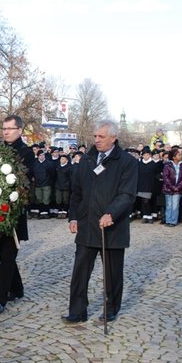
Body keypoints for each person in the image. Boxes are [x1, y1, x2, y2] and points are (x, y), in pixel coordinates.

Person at [63, 120, 138, 323]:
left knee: (112, 272)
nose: (96, 140)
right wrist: (73, 216)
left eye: (101, 137)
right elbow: (76, 192)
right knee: (80, 271)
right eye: (95, 136)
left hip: (111, 227)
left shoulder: (126, 162)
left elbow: (127, 194)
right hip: (87, 225)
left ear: (113, 138)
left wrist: (111, 213)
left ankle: (111, 307)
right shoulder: (87, 160)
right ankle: (77, 311)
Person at [0, 115, 35, 314]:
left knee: (8, 256)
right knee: (3, 254)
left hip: (13, 211)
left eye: (10, 128)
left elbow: (25, 178)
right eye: (4, 128)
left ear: (19, 130)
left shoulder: (26, 152)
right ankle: (17, 288)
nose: (6, 131)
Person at [162, 149, 182, 227]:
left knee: (175, 205)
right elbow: (165, 177)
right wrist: (172, 187)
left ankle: (173, 221)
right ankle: (168, 220)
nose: (180, 156)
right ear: (173, 157)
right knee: (169, 205)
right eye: (178, 155)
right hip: (168, 188)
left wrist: (178, 187)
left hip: (178, 189)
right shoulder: (167, 165)